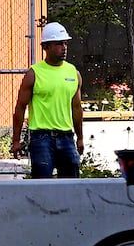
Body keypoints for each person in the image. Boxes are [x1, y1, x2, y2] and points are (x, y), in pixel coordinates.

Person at [10, 21, 85, 178]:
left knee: (72, 185)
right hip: (41, 138)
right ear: (46, 47)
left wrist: (80, 138)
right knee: (42, 184)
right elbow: (20, 107)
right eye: (58, 44)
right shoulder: (34, 73)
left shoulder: (73, 73)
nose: (64, 47)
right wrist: (16, 140)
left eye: (65, 43)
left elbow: (77, 108)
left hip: (66, 136)